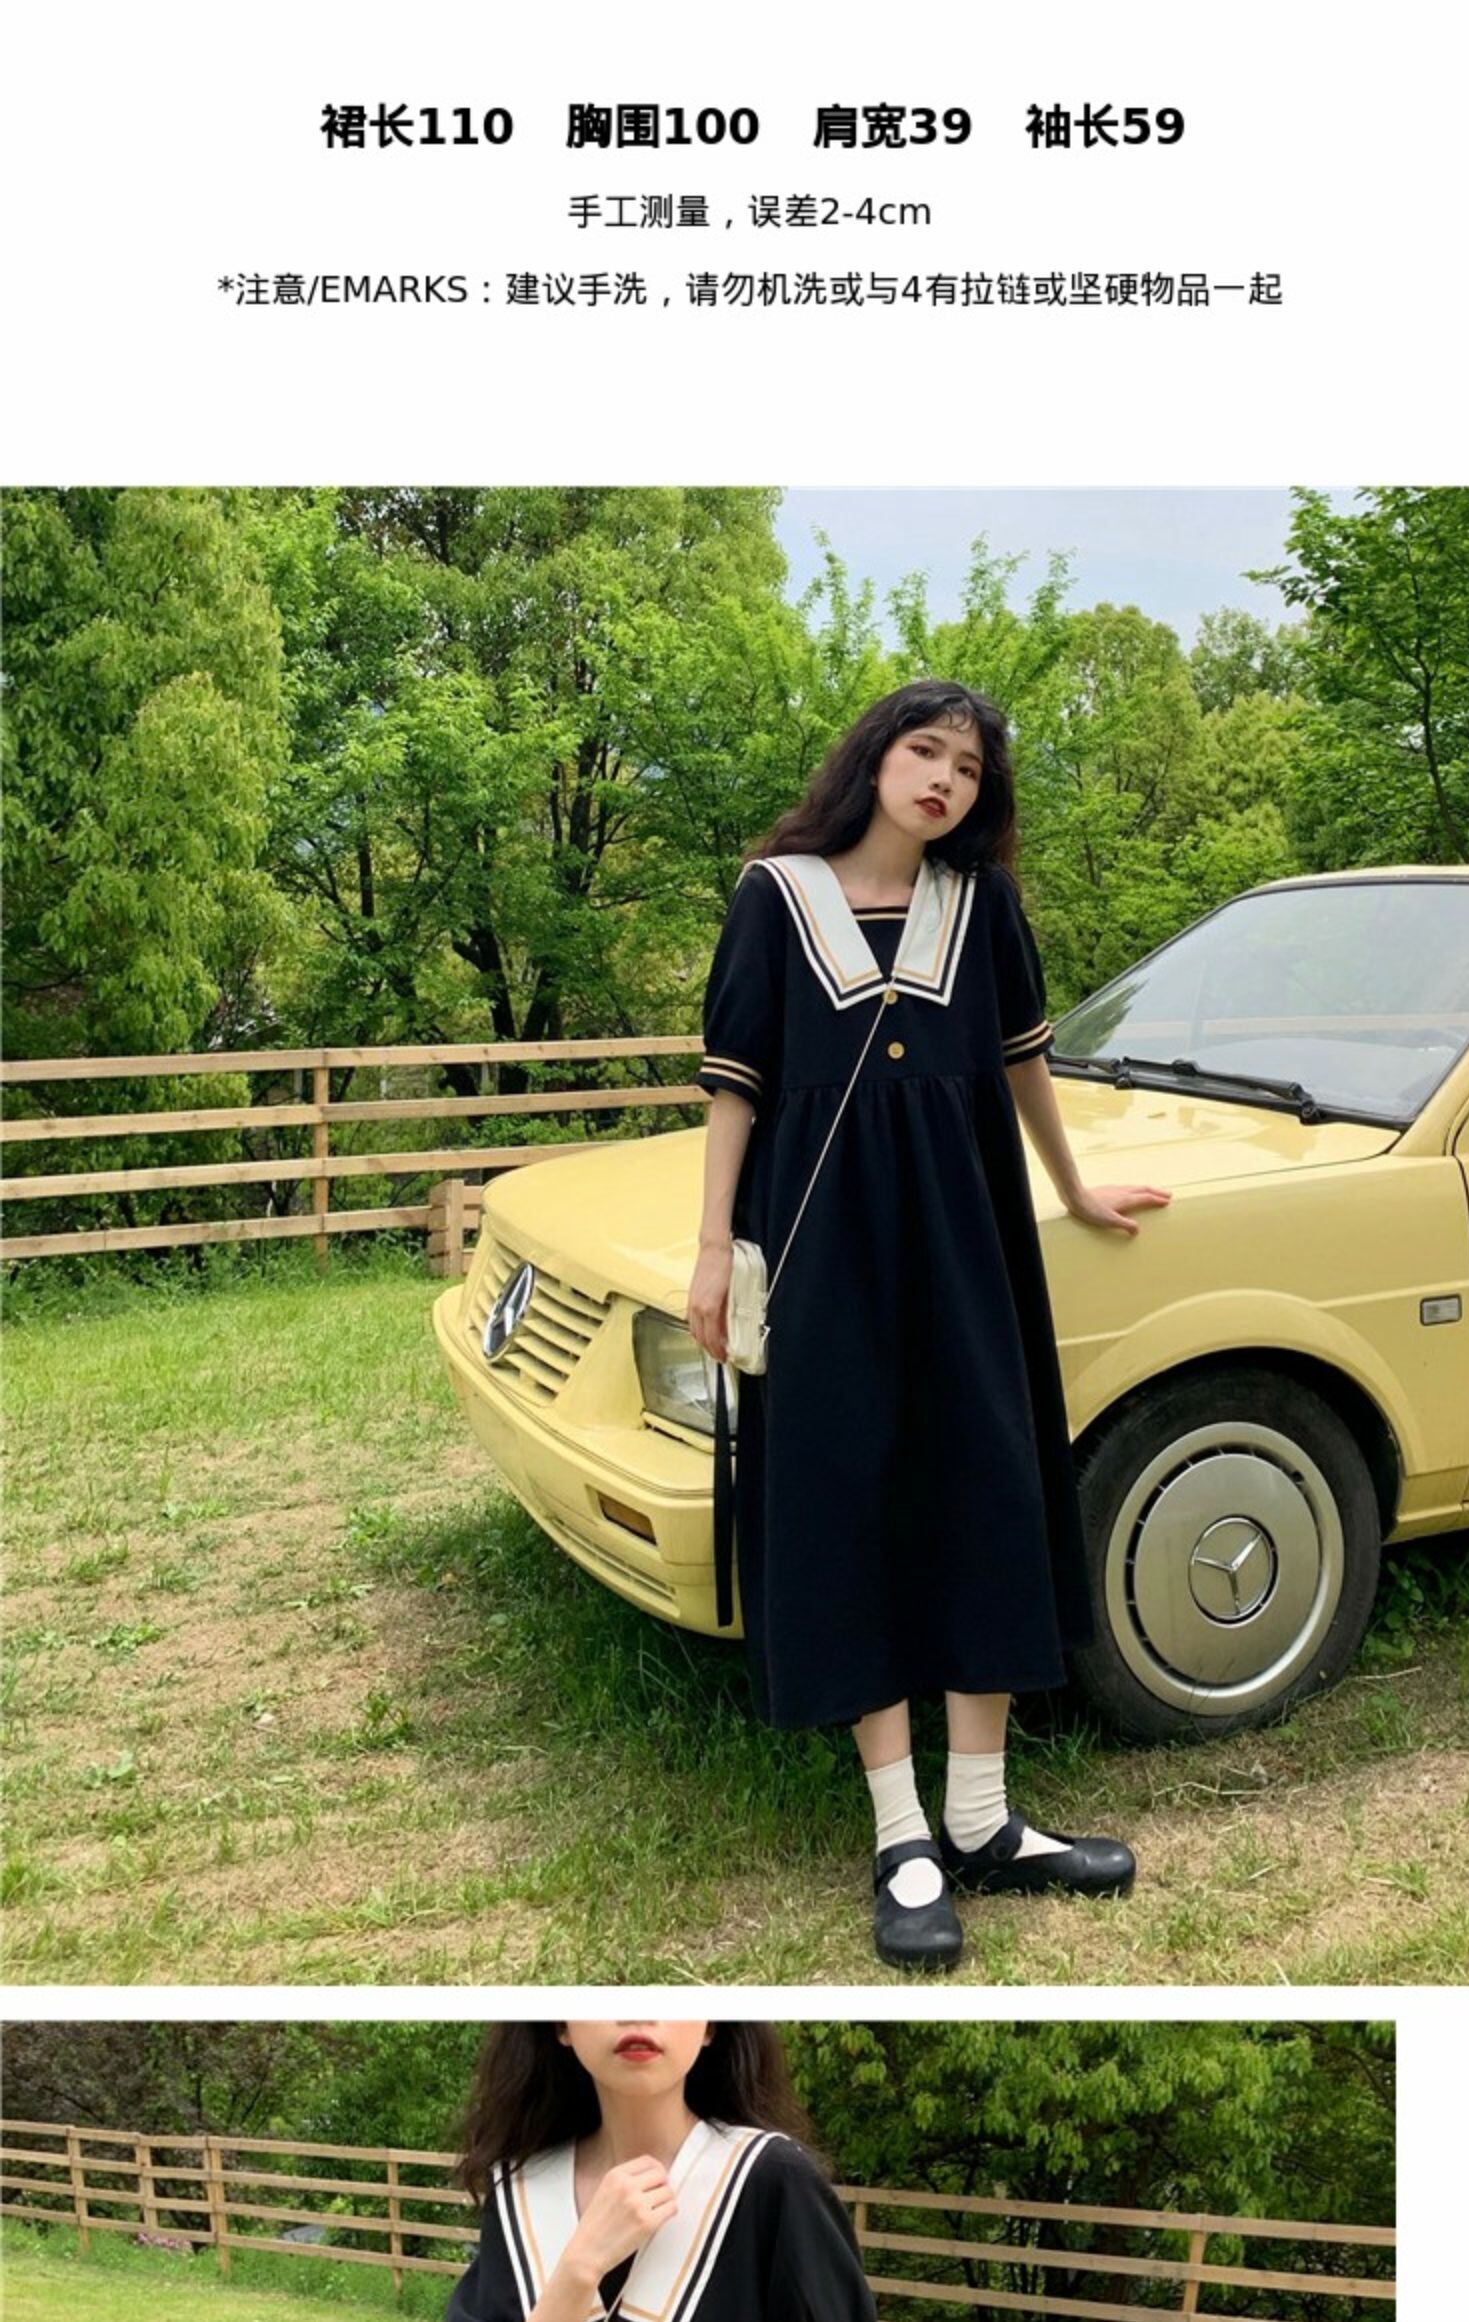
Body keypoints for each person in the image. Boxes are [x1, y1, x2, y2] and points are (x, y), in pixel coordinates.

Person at [686, 680, 1172, 1971]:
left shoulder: (983, 905)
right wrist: (712, 1250)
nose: (945, 778)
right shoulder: (775, 897)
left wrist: (1073, 1188)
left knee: (985, 1484)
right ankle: (902, 1834)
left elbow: (1023, 1059)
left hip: (968, 1231)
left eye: (968, 766)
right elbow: (736, 1088)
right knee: (848, 1496)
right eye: (924, 750)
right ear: (874, 759)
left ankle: (983, 1817)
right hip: (822, 1244)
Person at [444, 2021, 878, 2322]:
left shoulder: (772, 2180)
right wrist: (578, 2269)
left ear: (709, 2028)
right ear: (562, 2027)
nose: (639, 2014)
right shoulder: (522, 2192)